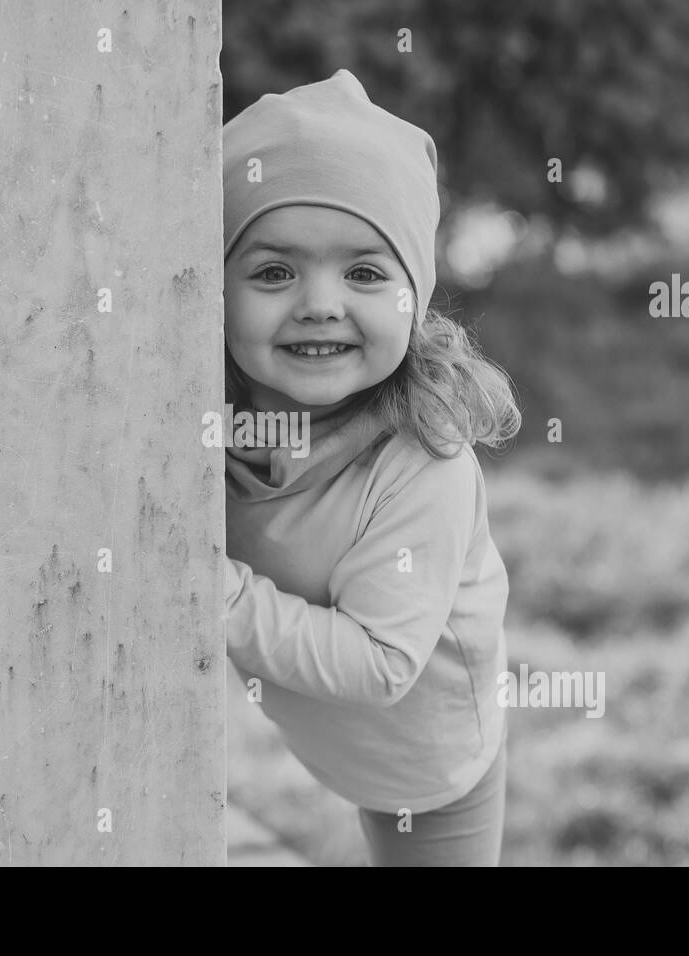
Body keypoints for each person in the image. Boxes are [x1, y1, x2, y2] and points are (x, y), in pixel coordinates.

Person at [222, 69, 522, 866]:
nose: (321, 303)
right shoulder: (203, 415)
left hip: (426, 750)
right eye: (274, 271)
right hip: (314, 720)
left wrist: (211, 594)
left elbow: (382, 662)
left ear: (414, 297)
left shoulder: (425, 461)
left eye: (364, 273)